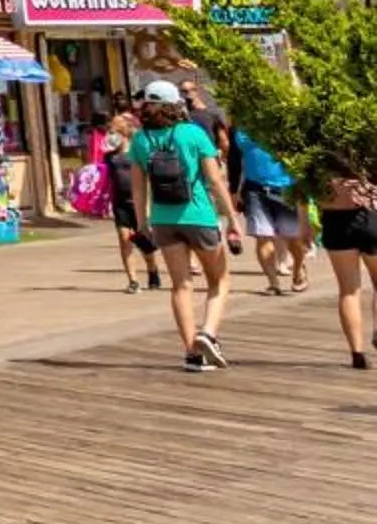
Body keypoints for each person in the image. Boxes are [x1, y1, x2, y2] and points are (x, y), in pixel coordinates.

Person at [126, 78, 243, 372]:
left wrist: (142, 223)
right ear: (176, 104)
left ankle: (192, 352)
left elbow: (138, 189)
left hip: (164, 220)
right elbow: (216, 180)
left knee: (180, 285)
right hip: (199, 215)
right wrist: (232, 218)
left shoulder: (140, 140)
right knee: (220, 279)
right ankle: (208, 333)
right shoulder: (193, 133)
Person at [233, 128, 313, 295]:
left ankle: (299, 268)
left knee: (294, 239)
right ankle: (273, 282)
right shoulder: (241, 127)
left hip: (286, 187)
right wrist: (235, 191)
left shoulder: (283, 122)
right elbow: (235, 159)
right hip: (255, 189)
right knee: (262, 236)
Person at [98, 111, 164, 294]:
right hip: (119, 202)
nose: (110, 129)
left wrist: (149, 205)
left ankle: (152, 269)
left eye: (114, 126)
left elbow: (148, 178)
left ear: (125, 129)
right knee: (124, 239)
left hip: (138, 201)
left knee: (144, 241)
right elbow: (104, 177)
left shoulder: (137, 150)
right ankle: (133, 280)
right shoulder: (109, 154)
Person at [317, 167, 376, 371]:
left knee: (348, 290)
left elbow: (301, 192)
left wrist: (305, 224)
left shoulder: (311, 154)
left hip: (334, 219)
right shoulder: (363, 144)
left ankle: (357, 352)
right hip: (368, 215)